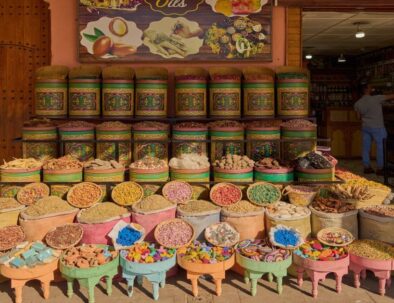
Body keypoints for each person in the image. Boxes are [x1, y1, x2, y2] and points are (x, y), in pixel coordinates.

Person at [354, 82, 394, 175]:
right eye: (370, 87)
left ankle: (367, 167)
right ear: (366, 89)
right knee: (381, 147)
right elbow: (391, 96)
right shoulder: (376, 98)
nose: (372, 88)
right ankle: (380, 168)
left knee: (366, 147)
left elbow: (358, 117)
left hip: (366, 127)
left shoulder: (357, 103)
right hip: (378, 127)